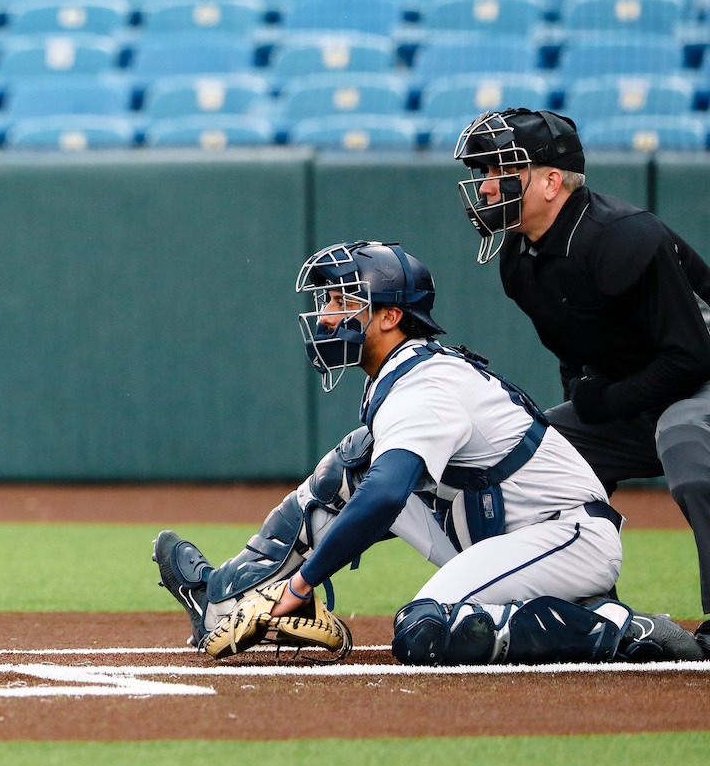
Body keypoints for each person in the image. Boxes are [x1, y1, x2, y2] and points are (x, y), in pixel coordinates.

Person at [154, 241, 704, 664]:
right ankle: (224, 593)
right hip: (496, 524)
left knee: (423, 630)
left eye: (344, 300)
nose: (326, 315)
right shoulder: (400, 373)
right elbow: (372, 485)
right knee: (352, 465)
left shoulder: (424, 385)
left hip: (563, 536)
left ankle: (618, 629)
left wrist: (298, 587)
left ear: (391, 315)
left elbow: (388, 496)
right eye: (326, 300)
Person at [454, 108, 710, 655]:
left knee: (688, 452)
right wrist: (587, 395)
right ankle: (588, 609)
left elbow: (691, 357)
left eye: (501, 169)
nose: (486, 185)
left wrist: (607, 398)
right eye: (482, 173)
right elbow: (576, 353)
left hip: (699, 379)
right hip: (644, 387)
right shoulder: (517, 259)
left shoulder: (623, 236)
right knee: (535, 460)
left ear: (551, 181)